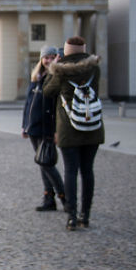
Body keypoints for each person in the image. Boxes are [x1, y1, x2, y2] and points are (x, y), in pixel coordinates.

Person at [43, 36, 105, 231]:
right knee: (88, 171)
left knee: (71, 171)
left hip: (69, 128)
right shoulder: (94, 68)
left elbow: (47, 92)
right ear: (84, 49)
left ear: (66, 52)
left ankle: (71, 215)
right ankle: (85, 215)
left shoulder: (60, 70)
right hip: (92, 126)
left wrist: (55, 69)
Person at [22, 46, 65, 212]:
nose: (48, 60)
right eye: (45, 58)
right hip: (33, 127)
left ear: (57, 58)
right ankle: (49, 198)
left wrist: (56, 131)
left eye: (52, 57)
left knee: (47, 164)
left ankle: (64, 197)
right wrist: (24, 125)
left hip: (47, 128)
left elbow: (57, 108)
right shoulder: (36, 78)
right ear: (41, 60)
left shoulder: (55, 78)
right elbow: (28, 104)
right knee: (42, 163)